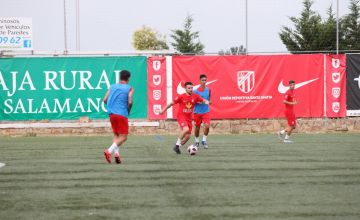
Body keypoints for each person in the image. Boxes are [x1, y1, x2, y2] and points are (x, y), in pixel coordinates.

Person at [159, 82, 209, 154]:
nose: (190, 89)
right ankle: (177, 145)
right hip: (181, 116)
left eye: (191, 88)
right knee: (186, 129)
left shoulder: (195, 96)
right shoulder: (181, 97)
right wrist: (163, 110)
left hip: (189, 118)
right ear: (185, 89)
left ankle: (177, 147)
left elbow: (202, 100)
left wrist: (206, 101)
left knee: (188, 136)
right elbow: (171, 104)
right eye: (189, 88)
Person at [103, 70, 134, 164]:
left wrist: (111, 106)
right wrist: (128, 109)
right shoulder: (129, 88)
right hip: (121, 114)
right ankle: (109, 151)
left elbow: (104, 100)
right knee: (124, 137)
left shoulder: (112, 86)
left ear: (120, 77)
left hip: (112, 114)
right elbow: (130, 101)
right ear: (128, 78)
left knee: (117, 135)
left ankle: (117, 154)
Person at [193, 74, 211, 149]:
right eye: (203, 80)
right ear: (200, 81)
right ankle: (196, 141)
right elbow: (193, 101)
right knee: (197, 128)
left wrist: (209, 102)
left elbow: (209, 99)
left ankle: (204, 140)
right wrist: (203, 102)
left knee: (207, 126)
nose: (204, 82)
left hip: (206, 111)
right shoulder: (195, 91)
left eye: (205, 80)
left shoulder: (208, 90)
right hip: (197, 112)